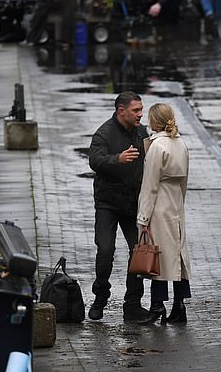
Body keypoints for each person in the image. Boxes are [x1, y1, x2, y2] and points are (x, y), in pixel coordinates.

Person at [88, 91, 149, 321]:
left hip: (133, 203)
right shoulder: (104, 134)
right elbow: (94, 160)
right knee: (105, 250)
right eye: (136, 110)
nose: (140, 115)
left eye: (141, 110)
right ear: (121, 111)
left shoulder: (141, 132)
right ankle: (100, 297)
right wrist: (117, 159)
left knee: (139, 251)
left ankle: (132, 304)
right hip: (108, 203)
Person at [136, 103, 191, 324]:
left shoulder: (157, 147)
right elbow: (185, 182)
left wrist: (143, 217)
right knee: (177, 256)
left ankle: (157, 304)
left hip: (158, 206)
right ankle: (179, 305)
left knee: (156, 256)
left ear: (153, 121)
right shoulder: (181, 144)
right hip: (176, 203)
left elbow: (149, 185)